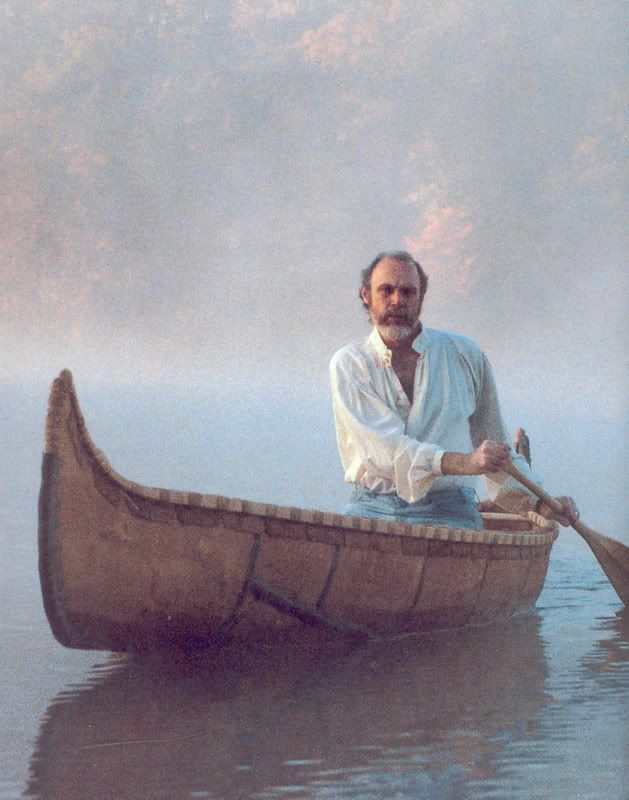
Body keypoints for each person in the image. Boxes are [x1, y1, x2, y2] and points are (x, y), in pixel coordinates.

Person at [329, 250, 578, 529]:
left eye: (408, 292)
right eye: (386, 290)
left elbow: (497, 447)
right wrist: (467, 462)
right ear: (366, 295)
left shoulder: (464, 354)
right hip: (372, 508)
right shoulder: (349, 363)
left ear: (421, 297)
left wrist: (539, 503)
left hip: (451, 511)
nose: (397, 300)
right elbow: (384, 451)